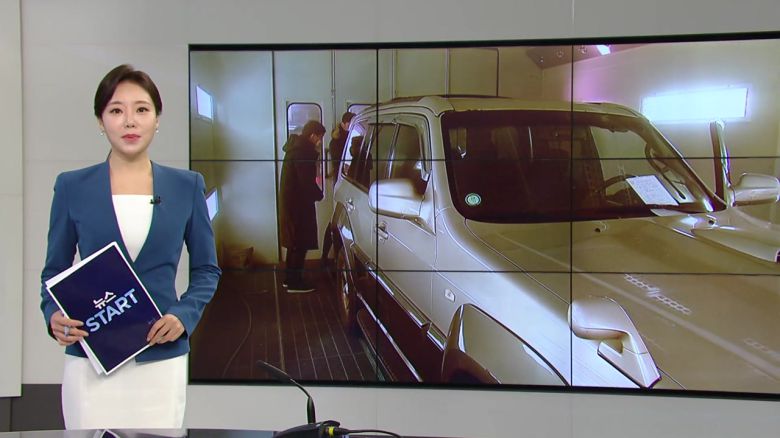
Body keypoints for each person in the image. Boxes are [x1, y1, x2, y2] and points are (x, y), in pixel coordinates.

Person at [39, 64, 222, 430]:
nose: (129, 121)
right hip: (91, 357)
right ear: (100, 120)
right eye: (116, 110)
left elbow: (206, 270)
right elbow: (54, 270)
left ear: (157, 119)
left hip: (160, 358)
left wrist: (183, 316)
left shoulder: (186, 186)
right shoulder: (72, 187)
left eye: (141, 109)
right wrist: (53, 314)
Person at [279, 120, 326, 293]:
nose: (319, 141)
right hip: (299, 206)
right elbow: (306, 182)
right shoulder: (304, 152)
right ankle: (295, 283)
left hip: (291, 204)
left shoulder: (295, 149)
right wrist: (319, 194)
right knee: (300, 243)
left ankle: (289, 279)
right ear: (312, 135)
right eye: (319, 137)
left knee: (294, 244)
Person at [321, 112, 355, 265]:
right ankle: (329, 257)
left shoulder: (352, 136)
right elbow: (339, 163)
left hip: (349, 182)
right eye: (349, 124)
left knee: (340, 221)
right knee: (335, 221)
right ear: (344, 123)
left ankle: (333, 257)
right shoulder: (336, 141)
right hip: (341, 182)